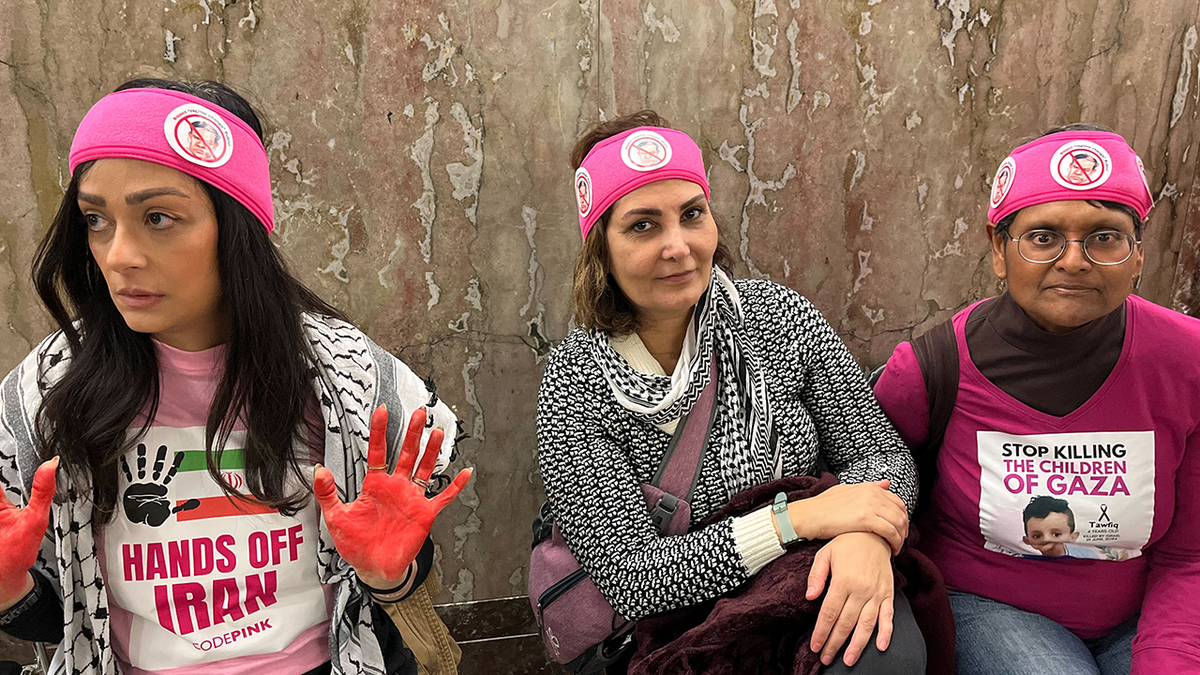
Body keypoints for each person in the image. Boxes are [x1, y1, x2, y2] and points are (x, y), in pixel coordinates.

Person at [0, 79, 471, 675]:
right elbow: (71, 620)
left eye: (159, 217)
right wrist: (9, 592)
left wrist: (391, 574)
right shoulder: (51, 395)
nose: (119, 254)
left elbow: (384, 579)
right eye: (96, 220)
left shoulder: (343, 381)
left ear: (238, 225)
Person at [536, 111, 925, 672]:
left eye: (692, 215)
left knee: (880, 650)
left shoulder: (779, 320)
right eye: (643, 225)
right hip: (669, 624)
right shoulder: (576, 381)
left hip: (806, 579)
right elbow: (635, 577)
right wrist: (797, 520)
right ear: (601, 248)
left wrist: (866, 536)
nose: (678, 246)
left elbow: (877, 450)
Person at [873, 123, 1200, 674]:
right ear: (999, 250)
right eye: (1043, 237)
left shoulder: (1187, 360)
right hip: (989, 607)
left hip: (1147, 611)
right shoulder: (931, 367)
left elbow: (1191, 553)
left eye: (1105, 237)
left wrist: (1167, 659)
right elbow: (874, 481)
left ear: (1139, 255)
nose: (1074, 261)